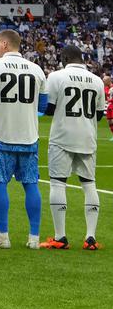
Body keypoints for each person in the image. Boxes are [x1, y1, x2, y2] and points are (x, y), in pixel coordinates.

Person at [0, 29, 47, 249]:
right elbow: (42, 106)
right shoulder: (37, 70)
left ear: (4, 44)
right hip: (29, 136)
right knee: (31, 185)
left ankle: (3, 235)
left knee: (0, 183)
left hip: (2, 134)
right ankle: (34, 238)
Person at [41, 46, 103, 250]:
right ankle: (90, 238)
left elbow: (48, 109)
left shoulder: (57, 76)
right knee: (89, 184)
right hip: (87, 137)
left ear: (64, 58)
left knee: (58, 183)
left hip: (62, 137)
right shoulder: (97, 80)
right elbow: (99, 114)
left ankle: (60, 237)